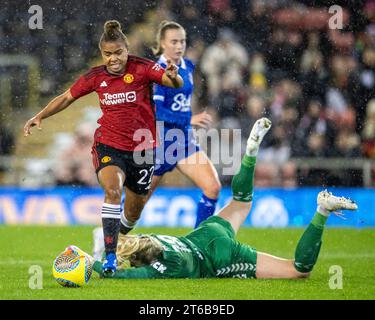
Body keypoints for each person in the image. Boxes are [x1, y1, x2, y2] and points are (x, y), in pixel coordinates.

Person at [77, 118, 358, 280]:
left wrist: (89, 263)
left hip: (218, 256)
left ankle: (322, 209)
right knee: (242, 200)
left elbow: (120, 276)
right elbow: (135, 250)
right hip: (203, 234)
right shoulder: (154, 239)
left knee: (298, 271)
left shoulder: (164, 269)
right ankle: (249, 156)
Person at [23, 20, 184, 274]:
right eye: (107, 54)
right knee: (112, 191)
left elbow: (171, 81)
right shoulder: (96, 77)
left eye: (118, 53)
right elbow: (67, 97)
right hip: (108, 145)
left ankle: (109, 237)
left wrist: (174, 78)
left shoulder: (142, 68)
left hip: (143, 148)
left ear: (126, 49)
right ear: (102, 54)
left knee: (134, 210)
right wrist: (41, 115)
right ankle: (110, 258)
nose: (113, 59)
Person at [151, 20, 221, 228]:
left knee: (212, 187)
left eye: (182, 41)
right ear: (163, 43)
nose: (179, 46)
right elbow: (156, 112)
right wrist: (188, 119)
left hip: (183, 140)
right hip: (159, 141)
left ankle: (198, 243)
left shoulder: (188, 67)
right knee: (135, 207)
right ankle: (106, 235)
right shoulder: (156, 71)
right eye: (174, 41)